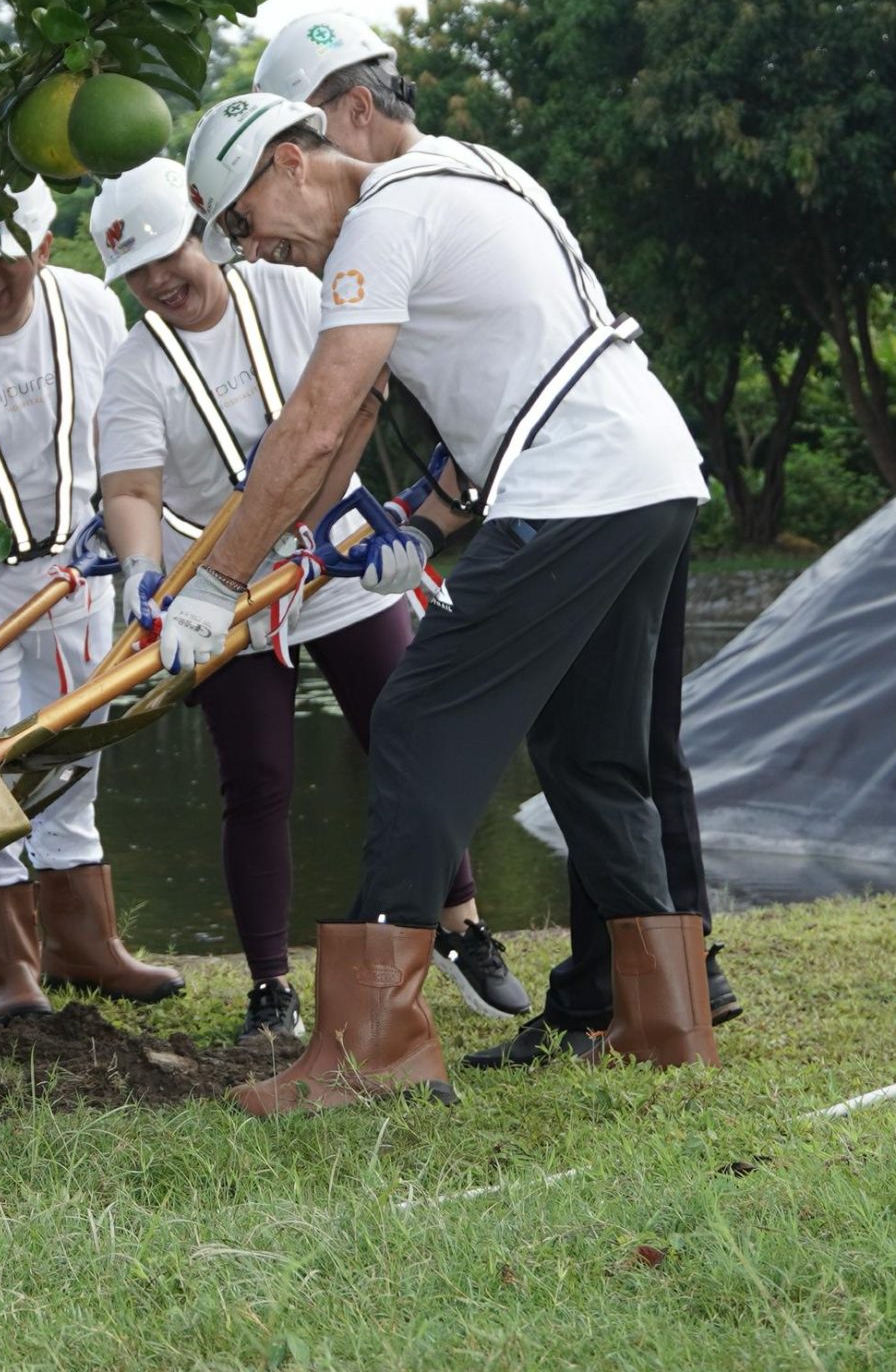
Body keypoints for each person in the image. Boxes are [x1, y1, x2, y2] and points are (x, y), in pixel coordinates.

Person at [183, 87, 717, 1113]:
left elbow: (315, 415)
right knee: (592, 754)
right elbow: (470, 383)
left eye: (242, 223)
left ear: (290, 160)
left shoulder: (380, 222)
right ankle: (664, 1024)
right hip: (652, 470)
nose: (250, 252)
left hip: (577, 490)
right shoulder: (469, 171)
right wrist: (421, 527)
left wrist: (215, 585)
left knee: (419, 720)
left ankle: (369, 1047)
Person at [88, 155, 528, 1052]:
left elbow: (362, 396)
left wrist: (393, 523)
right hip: (225, 590)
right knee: (257, 782)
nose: (160, 281)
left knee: (413, 733)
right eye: (137, 272)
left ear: (202, 232)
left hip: (343, 562)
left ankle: (461, 924)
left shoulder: (286, 291)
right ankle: (270, 989)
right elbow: (131, 488)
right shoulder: (136, 366)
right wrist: (141, 573)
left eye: (169, 253)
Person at [0, 175, 179, 1022]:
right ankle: (9, 968)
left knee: (79, 746)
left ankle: (86, 945)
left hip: (76, 563)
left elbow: (120, 432)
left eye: (4, 261)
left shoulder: (90, 306)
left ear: (44, 251)